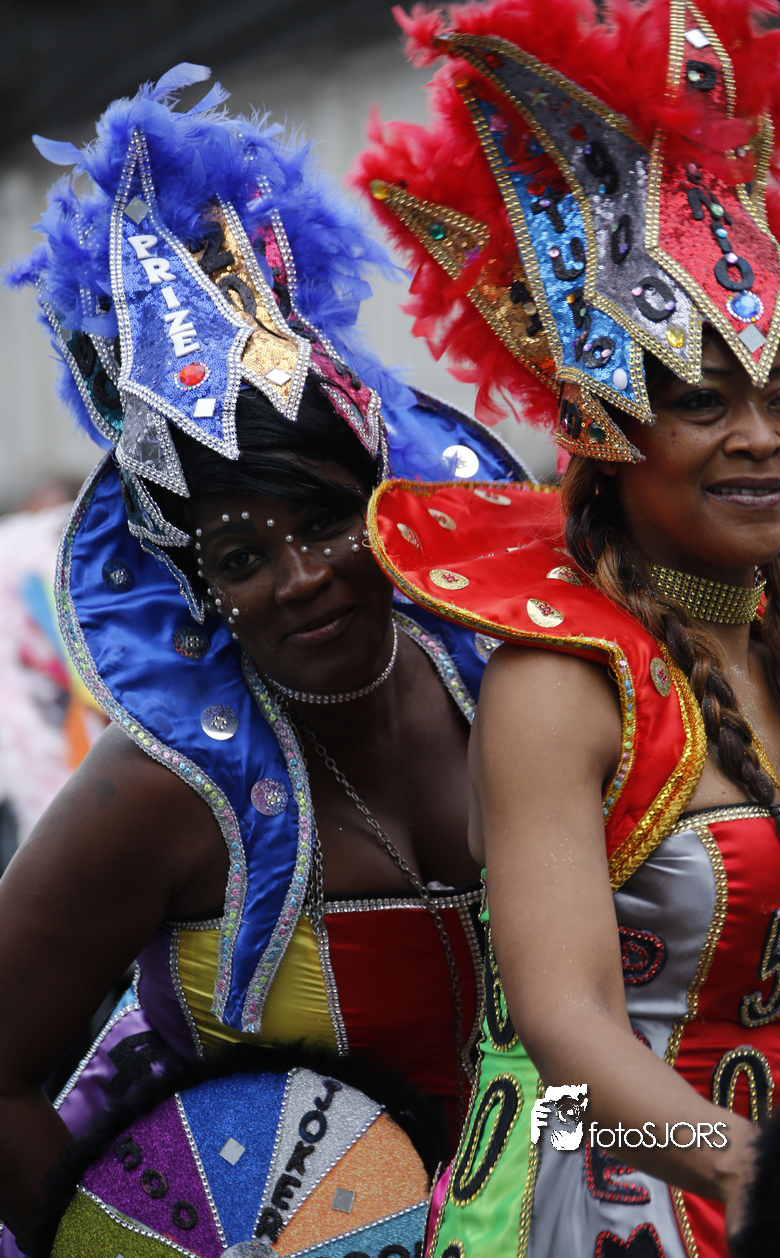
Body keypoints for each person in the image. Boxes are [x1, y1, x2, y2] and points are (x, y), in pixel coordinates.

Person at [0, 65, 530, 1253]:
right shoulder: (161, 792)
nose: (300, 575)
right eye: (242, 554)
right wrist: (135, 1242)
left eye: (328, 519)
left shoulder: (512, 693)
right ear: (201, 590)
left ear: (388, 504)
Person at [356, 0, 780, 1253]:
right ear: (609, 432)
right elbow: (563, 1033)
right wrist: (752, 1168)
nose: (759, 439)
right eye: (700, 402)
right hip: (613, 1207)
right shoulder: (559, 682)